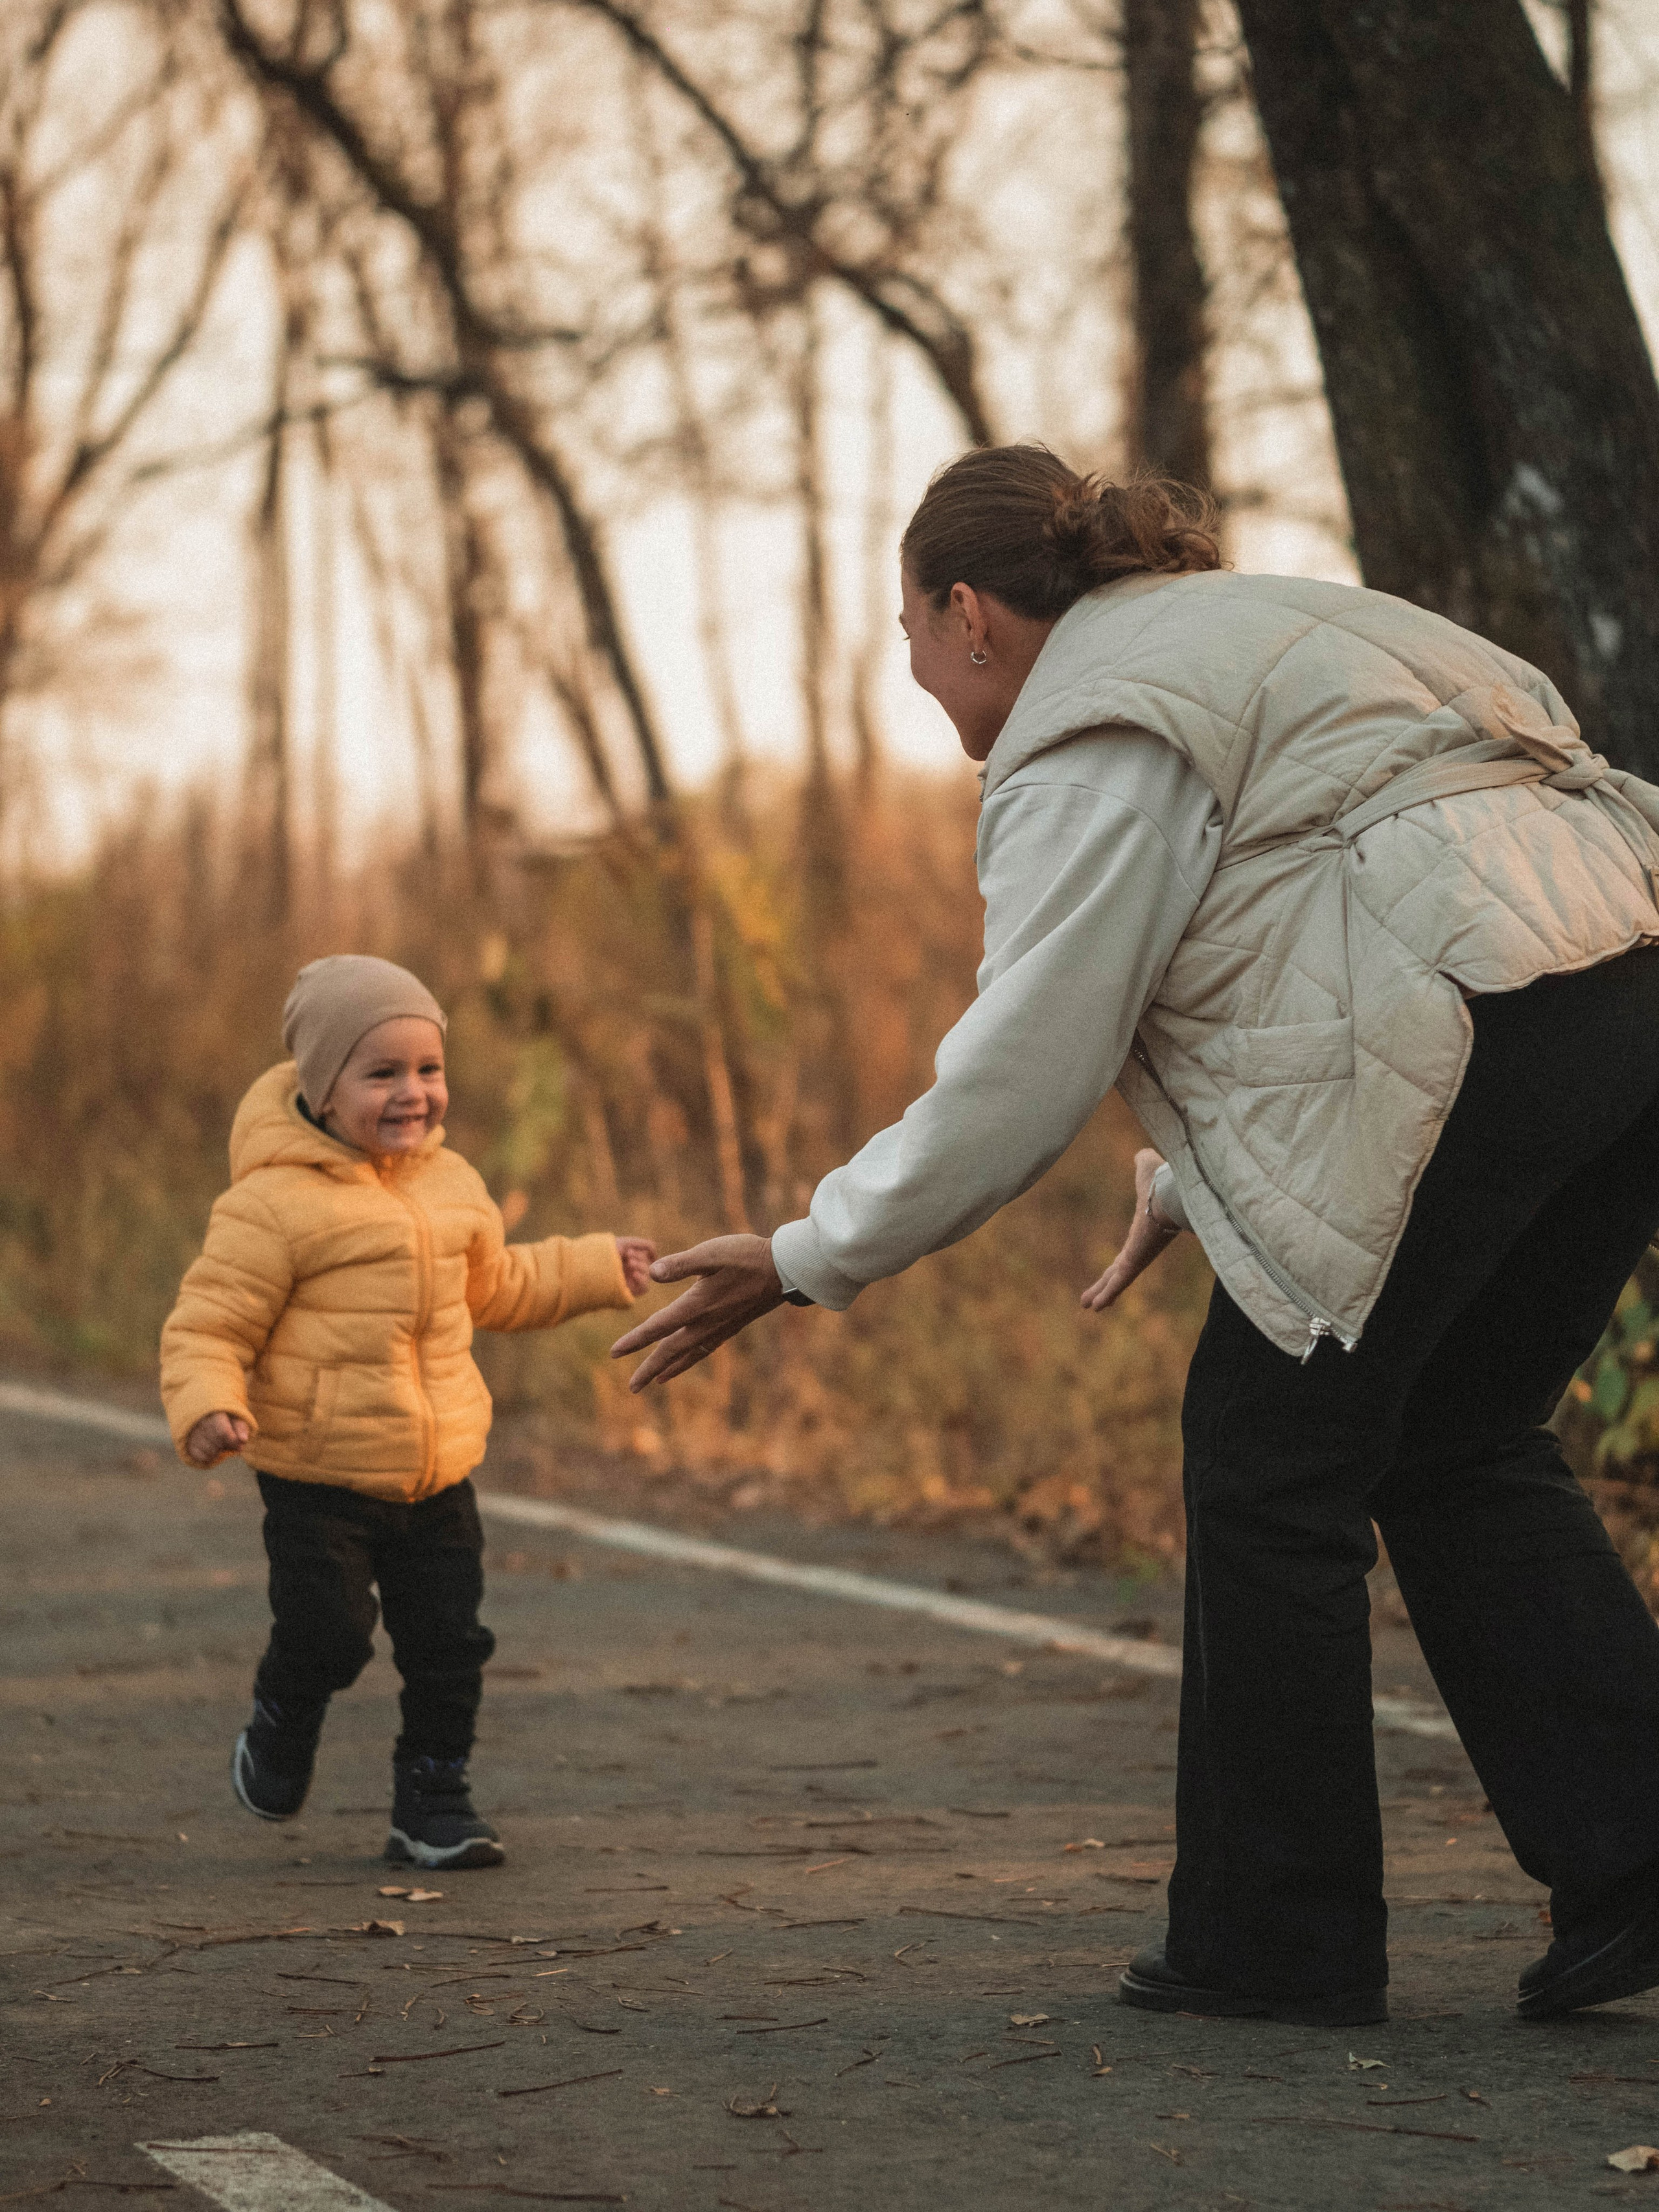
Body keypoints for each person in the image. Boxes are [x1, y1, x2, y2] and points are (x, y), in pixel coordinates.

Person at [612, 443, 1659, 2026]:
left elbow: (1027, 1059)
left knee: (1264, 1459)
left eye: (904, 635)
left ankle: (1277, 1940)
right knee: (1450, 1430)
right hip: (1619, 981)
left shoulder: (1089, 729)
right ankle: (1636, 1858)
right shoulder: (1247, 622)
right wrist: (1195, 1178)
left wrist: (804, 1250)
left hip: (1474, 1024)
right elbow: (1330, 897)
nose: (911, 675)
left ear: (967, 612)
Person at [161, 955, 655, 1869]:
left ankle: (433, 1798)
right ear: (321, 1086)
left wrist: (592, 1267)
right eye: (381, 1072)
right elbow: (207, 1324)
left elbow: (496, 1286)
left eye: (428, 1069)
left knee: (450, 1643)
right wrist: (207, 1406)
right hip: (318, 1474)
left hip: (438, 1470)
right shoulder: (271, 1205)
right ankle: (281, 1714)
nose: (413, 1093)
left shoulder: (451, 1183)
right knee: (330, 1635)